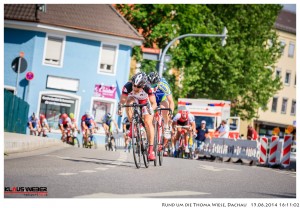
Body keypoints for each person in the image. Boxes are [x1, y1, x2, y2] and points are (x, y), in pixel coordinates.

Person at [117, 72, 157, 160]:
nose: (135, 88)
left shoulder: (148, 87)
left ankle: (150, 151)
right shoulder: (127, 86)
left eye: (138, 87)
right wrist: (120, 108)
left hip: (145, 101)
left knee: (148, 122)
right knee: (128, 102)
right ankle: (132, 124)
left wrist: (150, 110)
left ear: (143, 86)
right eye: (134, 85)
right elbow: (122, 101)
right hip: (133, 99)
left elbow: (154, 104)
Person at [147, 71, 174, 156]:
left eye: (155, 85)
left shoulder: (164, 84)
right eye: (151, 85)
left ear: (158, 82)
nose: (153, 87)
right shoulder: (146, 84)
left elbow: (171, 101)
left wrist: (171, 113)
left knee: (164, 109)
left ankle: (165, 126)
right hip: (152, 99)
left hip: (162, 99)